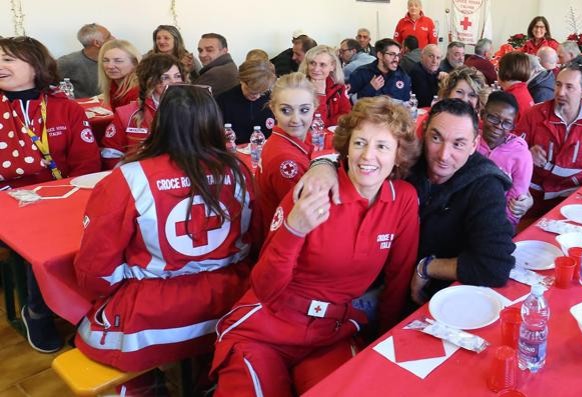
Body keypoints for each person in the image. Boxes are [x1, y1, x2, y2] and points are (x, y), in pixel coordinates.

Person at [211, 96, 421, 395]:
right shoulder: (314, 191)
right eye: (360, 143)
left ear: (399, 155)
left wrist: (382, 343)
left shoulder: (403, 199)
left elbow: (399, 281)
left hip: (332, 334)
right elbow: (265, 288)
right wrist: (293, 229)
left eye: (382, 146)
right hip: (267, 328)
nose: (367, 156)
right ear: (347, 146)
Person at [73, 86, 252, 391]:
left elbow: (96, 268)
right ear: (213, 121)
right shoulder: (240, 169)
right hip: (231, 300)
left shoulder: (128, 178)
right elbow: (255, 240)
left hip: (153, 313)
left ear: (160, 122)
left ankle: (146, 386)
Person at [298, 99, 515, 303]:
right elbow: (358, 158)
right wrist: (323, 165)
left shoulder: (485, 186)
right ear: (423, 133)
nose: (443, 155)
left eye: (458, 144)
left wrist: (428, 267)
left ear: (474, 144)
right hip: (368, 278)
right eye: (436, 138)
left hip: (435, 295)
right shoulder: (408, 160)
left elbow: (494, 266)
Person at [1, 36, 101, 352]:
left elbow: (87, 163)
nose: (0, 66)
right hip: (8, 201)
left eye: (8, 59)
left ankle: (89, 310)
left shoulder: (64, 108)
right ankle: (38, 311)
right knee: (41, 243)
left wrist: (64, 200)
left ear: (36, 65)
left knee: (93, 233)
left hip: (62, 196)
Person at [516, 63, 582, 217]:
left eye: (569, 87)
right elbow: (511, 154)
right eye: (558, 85)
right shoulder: (533, 115)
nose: (560, 92)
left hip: (574, 198)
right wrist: (526, 154)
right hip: (532, 197)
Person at [254, 72, 320, 237]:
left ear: (315, 108)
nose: (295, 119)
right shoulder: (286, 160)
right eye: (286, 110)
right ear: (273, 110)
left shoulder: (286, 141)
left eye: (304, 110)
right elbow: (304, 220)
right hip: (282, 239)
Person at [100, 54, 185, 169]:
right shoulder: (126, 114)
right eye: (165, 77)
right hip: (140, 178)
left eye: (177, 76)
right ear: (149, 80)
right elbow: (111, 153)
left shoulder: (195, 109)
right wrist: (129, 175)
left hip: (180, 176)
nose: (173, 82)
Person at [477, 91, 532, 227]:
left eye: (507, 123)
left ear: (513, 126)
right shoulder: (470, 140)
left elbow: (514, 205)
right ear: (482, 114)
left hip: (498, 223)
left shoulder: (520, 154)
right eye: (493, 118)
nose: (498, 126)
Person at [216, 58, 277, 143]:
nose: (257, 96)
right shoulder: (223, 101)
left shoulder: (272, 98)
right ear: (241, 80)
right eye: (252, 91)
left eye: (262, 92)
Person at [300, 45, 352, 127]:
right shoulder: (297, 87)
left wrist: (325, 123)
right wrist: (320, 94)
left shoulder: (339, 87)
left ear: (332, 66)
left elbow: (346, 115)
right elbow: (311, 124)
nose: (316, 69)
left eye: (322, 64)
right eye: (312, 63)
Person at [57, 23, 113, 98]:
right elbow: (45, 83)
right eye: (109, 37)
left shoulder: (118, 60)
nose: (114, 38)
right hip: (81, 107)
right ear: (97, 43)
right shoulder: (67, 62)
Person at [98, 39, 140, 110]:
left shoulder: (137, 92)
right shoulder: (114, 84)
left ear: (134, 63)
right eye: (106, 60)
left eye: (118, 61)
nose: (110, 66)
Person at [497, 52, 535, 123]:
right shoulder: (522, 90)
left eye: (498, 69)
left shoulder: (508, 99)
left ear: (503, 70)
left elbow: (496, 127)